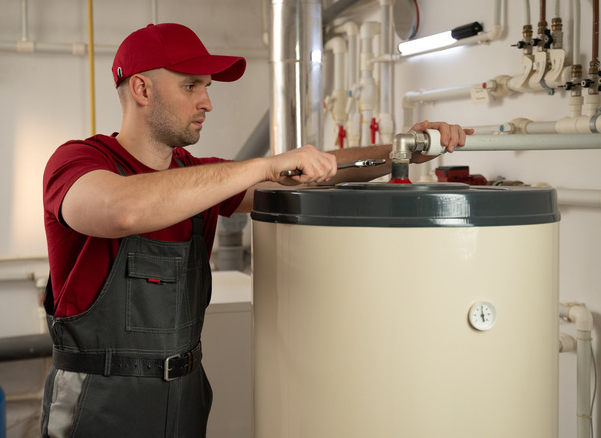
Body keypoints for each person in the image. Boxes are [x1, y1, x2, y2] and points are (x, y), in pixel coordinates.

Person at [40, 22, 471, 438]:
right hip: (100, 401)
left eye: (207, 87)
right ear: (142, 89)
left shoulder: (200, 178)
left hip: (185, 395)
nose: (207, 102)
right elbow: (123, 209)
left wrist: (402, 150)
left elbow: (315, 174)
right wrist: (263, 164)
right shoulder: (78, 162)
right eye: (192, 86)